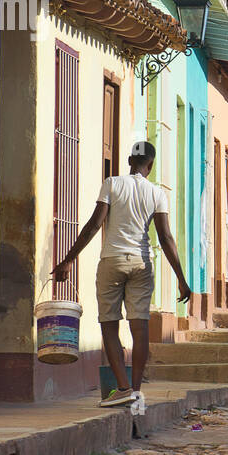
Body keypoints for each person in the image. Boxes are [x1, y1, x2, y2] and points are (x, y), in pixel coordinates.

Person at [54, 141, 191, 407]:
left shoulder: (112, 183)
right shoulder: (157, 193)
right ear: (149, 165)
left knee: (109, 324)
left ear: (129, 160)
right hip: (141, 263)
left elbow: (95, 224)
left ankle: (123, 387)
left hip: (112, 261)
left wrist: (68, 260)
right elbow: (165, 237)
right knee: (140, 329)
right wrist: (181, 280)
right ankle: (137, 391)